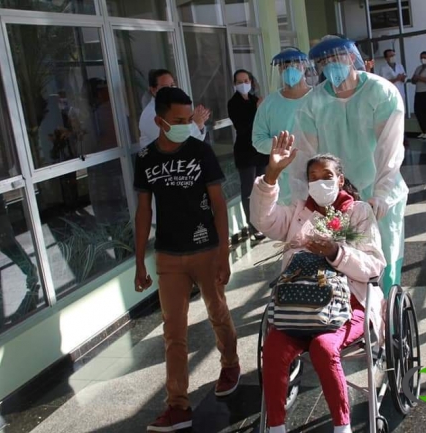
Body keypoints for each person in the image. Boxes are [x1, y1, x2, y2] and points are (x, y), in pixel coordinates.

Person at [251, 132, 386, 433]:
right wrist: (271, 174)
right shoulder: (298, 213)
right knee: (273, 348)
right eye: (313, 177)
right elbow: (262, 219)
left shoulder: (359, 212)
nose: (320, 182)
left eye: (327, 176)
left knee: (324, 348)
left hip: (348, 308)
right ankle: (275, 427)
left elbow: (374, 265)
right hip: (298, 307)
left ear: (340, 179)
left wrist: (336, 252)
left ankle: (342, 427)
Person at [133, 87, 239, 432]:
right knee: (173, 332)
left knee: (217, 311)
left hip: (205, 249)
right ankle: (178, 406)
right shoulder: (147, 158)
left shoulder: (200, 151)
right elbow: (143, 211)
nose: (185, 125)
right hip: (168, 255)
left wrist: (223, 253)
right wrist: (139, 262)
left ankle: (230, 364)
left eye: (188, 119)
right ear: (158, 120)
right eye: (178, 120)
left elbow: (219, 204)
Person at [289, 36, 408, 294]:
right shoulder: (313, 103)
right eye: (324, 61)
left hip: (378, 192)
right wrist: (304, 202)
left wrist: (382, 195)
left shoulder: (381, 92)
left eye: (337, 58)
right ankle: (351, 321)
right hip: (335, 197)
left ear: (352, 57)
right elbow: (303, 158)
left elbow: (390, 149)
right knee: (341, 262)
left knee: (382, 258)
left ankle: (387, 318)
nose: (331, 65)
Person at [252, 48, 312, 205]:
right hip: (283, 182)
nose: (289, 68)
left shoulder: (319, 98)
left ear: (304, 66)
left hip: (317, 176)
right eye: (285, 65)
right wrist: (282, 147)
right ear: (278, 69)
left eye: (295, 64)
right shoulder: (269, 104)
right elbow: (258, 140)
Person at [228, 69, 269, 241]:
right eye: (239, 81)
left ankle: (265, 221)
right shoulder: (234, 103)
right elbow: (243, 126)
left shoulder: (254, 100)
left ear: (251, 81)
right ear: (235, 84)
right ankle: (253, 226)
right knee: (249, 190)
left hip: (260, 151)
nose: (243, 84)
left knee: (263, 188)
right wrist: (257, 110)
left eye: (246, 80)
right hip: (245, 152)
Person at [138, 69, 211, 146]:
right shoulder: (149, 114)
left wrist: (200, 124)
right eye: (165, 87)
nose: (171, 90)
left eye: (172, 85)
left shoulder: (175, 108)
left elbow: (195, 139)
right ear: (153, 90)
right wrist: (196, 124)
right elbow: (173, 140)